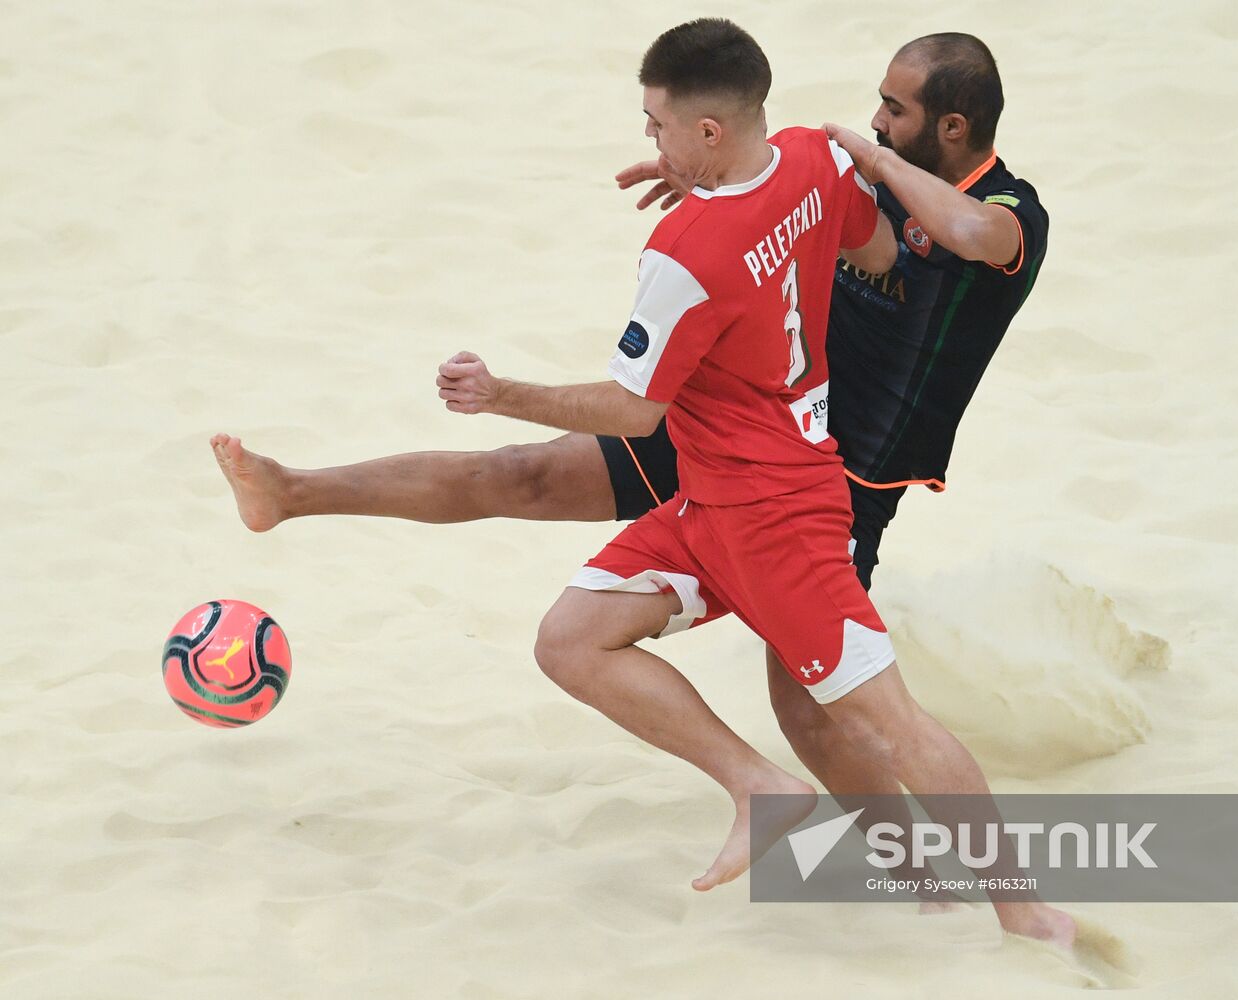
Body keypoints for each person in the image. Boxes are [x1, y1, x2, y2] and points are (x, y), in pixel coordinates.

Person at [210, 28, 1064, 940]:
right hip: (726, 418)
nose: (875, 120)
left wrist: (821, 173)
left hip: (827, 479)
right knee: (527, 484)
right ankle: (292, 491)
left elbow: (951, 235)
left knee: (817, 708)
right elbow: (831, 229)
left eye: (895, 110)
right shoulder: (826, 168)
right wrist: (727, 187)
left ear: (955, 124)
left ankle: (947, 886)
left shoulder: (995, 206)